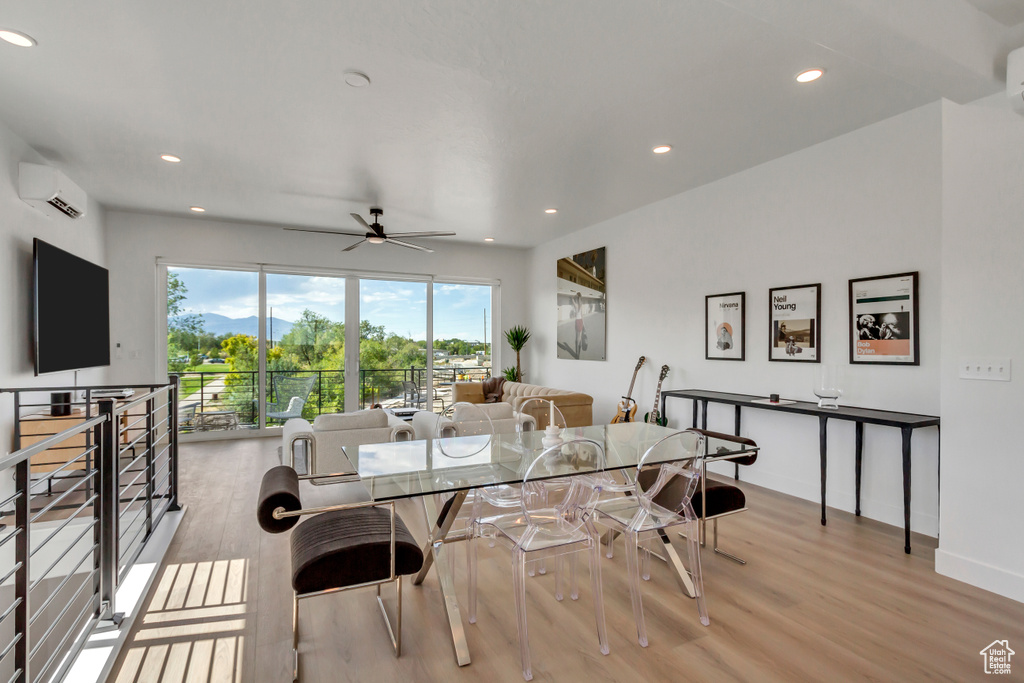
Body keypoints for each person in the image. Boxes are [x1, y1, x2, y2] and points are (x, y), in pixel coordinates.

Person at [573, 292, 585, 357]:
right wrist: (583, 323)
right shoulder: (581, 305)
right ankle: (578, 354)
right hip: (580, 320)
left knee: (576, 337)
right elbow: (582, 315)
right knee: (579, 337)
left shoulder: (576, 305)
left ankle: (576, 352)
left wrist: (575, 296)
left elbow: (572, 299)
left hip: (577, 321)